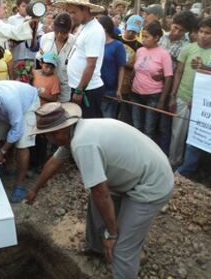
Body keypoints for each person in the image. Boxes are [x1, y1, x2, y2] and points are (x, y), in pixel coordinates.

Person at [26, 102, 174, 279]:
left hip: (152, 184)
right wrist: (35, 189)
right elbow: (54, 162)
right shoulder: (75, 132)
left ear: (58, 133)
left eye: (46, 136)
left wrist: (112, 233)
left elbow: (101, 193)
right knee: (97, 205)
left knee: (122, 248)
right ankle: (96, 247)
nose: (45, 139)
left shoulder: (82, 144)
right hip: (138, 171)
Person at [54, 0, 106, 118]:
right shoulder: (83, 27)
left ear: (85, 9)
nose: (71, 16)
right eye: (69, 12)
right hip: (78, 87)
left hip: (87, 90)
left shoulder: (94, 30)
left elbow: (91, 64)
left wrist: (79, 90)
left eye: (74, 12)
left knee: (89, 128)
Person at [169, 17, 211, 167]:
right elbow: (178, 72)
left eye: (208, 32)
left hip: (204, 104)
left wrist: (205, 67)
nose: (203, 35)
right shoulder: (188, 48)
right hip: (183, 97)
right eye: (201, 31)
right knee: (177, 134)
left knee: (198, 137)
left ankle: (190, 167)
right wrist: (173, 96)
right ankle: (173, 162)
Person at [157, 10, 196, 155]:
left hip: (171, 87)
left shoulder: (186, 45)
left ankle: (165, 153)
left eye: (181, 30)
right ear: (171, 23)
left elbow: (179, 70)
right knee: (154, 120)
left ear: (186, 31)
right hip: (153, 86)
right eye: (175, 27)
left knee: (166, 124)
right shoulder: (162, 38)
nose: (176, 32)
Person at [131, 21, 173, 140]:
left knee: (149, 129)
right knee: (136, 126)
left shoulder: (164, 54)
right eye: (142, 36)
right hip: (136, 94)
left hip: (153, 96)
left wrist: (162, 100)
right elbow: (136, 70)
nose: (143, 39)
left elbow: (168, 77)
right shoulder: (140, 51)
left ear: (156, 38)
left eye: (146, 36)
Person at [36, 13, 76, 103]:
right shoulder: (45, 38)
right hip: (46, 89)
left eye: (64, 32)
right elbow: (40, 58)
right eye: (57, 31)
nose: (59, 35)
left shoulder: (75, 42)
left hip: (65, 89)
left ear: (70, 30)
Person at [98, 15, 126, 119]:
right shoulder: (95, 43)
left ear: (104, 28)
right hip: (95, 88)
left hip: (110, 90)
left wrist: (119, 89)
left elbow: (121, 68)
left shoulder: (117, 45)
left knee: (108, 119)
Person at [117, 15, 144, 124]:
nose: (131, 33)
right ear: (126, 26)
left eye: (134, 31)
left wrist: (125, 63)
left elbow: (138, 66)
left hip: (127, 85)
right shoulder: (116, 38)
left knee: (124, 113)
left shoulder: (140, 46)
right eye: (130, 30)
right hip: (112, 81)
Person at [8, 0, 38, 80]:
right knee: (17, 83)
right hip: (17, 57)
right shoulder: (11, 20)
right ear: (18, 7)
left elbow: (36, 39)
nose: (26, 8)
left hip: (31, 57)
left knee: (31, 82)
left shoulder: (34, 19)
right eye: (23, 6)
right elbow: (10, 38)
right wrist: (24, 26)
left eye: (28, 6)